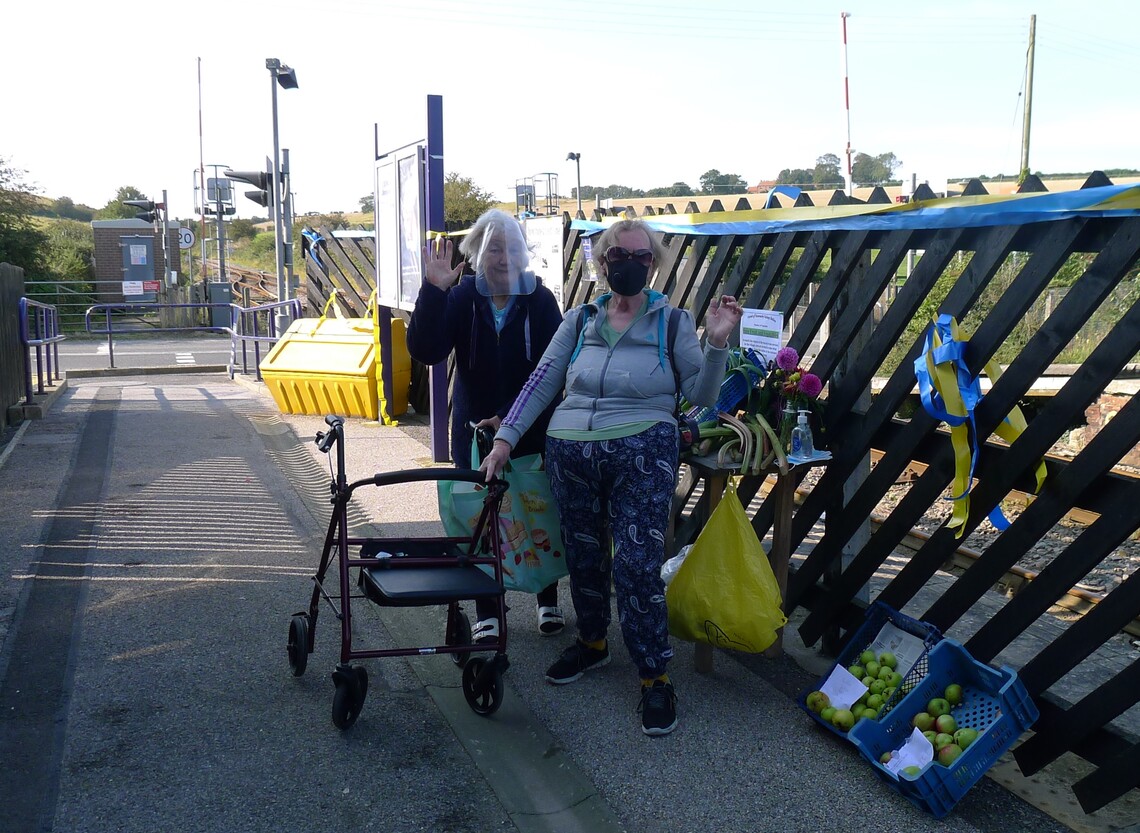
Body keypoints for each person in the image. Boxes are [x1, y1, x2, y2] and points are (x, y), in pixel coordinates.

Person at [479, 218, 742, 736]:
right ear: (602, 263)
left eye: (642, 257)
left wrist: (715, 344)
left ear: (653, 265)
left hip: (642, 449)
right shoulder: (580, 319)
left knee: (637, 565)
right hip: (570, 450)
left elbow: (703, 395)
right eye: (619, 256)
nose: (631, 265)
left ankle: (655, 674)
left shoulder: (672, 322)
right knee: (583, 556)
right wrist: (506, 438)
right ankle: (593, 642)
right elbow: (543, 380)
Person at [406, 208, 565, 641]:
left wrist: (510, 415)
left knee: (536, 508)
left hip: (530, 426)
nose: (504, 258)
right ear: (477, 252)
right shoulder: (461, 298)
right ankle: (488, 611)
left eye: (512, 248)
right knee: (479, 518)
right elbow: (427, 350)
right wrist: (433, 291)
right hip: (473, 430)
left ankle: (546, 597)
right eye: (494, 248)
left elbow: (553, 369)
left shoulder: (540, 301)